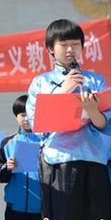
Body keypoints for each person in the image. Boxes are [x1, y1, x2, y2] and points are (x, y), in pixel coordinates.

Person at [26, 19, 111, 220]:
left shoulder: (96, 80)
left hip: (94, 159)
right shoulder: (41, 82)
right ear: (51, 49)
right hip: (60, 161)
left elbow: (105, 125)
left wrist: (92, 111)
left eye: (75, 44)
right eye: (63, 45)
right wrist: (64, 89)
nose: (70, 49)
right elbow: (36, 125)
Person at [0, 95, 42, 220]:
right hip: (15, 207)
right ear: (16, 117)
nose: (26, 118)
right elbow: (1, 177)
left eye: (30, 113)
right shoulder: (7, 142)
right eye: (22, 114)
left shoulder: (47, 141)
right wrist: (7, 167)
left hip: (42, 207)